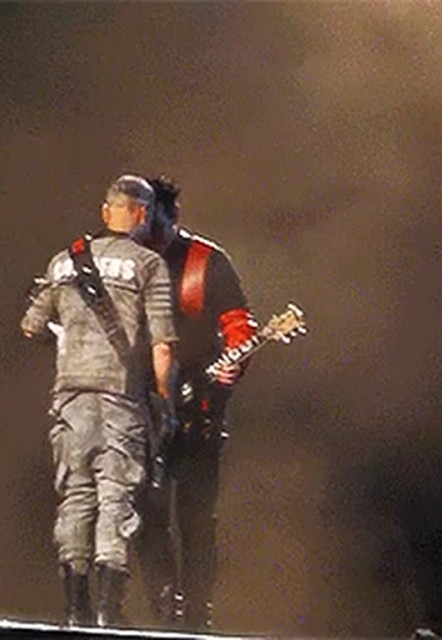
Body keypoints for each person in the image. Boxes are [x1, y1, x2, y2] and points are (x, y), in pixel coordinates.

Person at [20, 175, 178, 628]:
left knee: (76, 495)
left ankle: (75, 610)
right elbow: (163, 345)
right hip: (119, 398)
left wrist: (71, 344)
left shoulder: (63, 262)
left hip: (70, 397)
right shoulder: (148, 264)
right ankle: (109, 613)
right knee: (115, 498)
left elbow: (31, 327)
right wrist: (165, 403)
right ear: (143, 214)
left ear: (107, 211)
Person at [134, 175, 257, 630]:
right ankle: (166, 606)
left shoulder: (207, 262)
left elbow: (240, 325)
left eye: (155, 225)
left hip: (198, 409)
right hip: (143, 407)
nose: (148, 235)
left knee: (196, 517)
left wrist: (234, 363)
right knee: (146, 513)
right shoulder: (126, 261)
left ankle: (197, 613)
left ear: (172, 217)